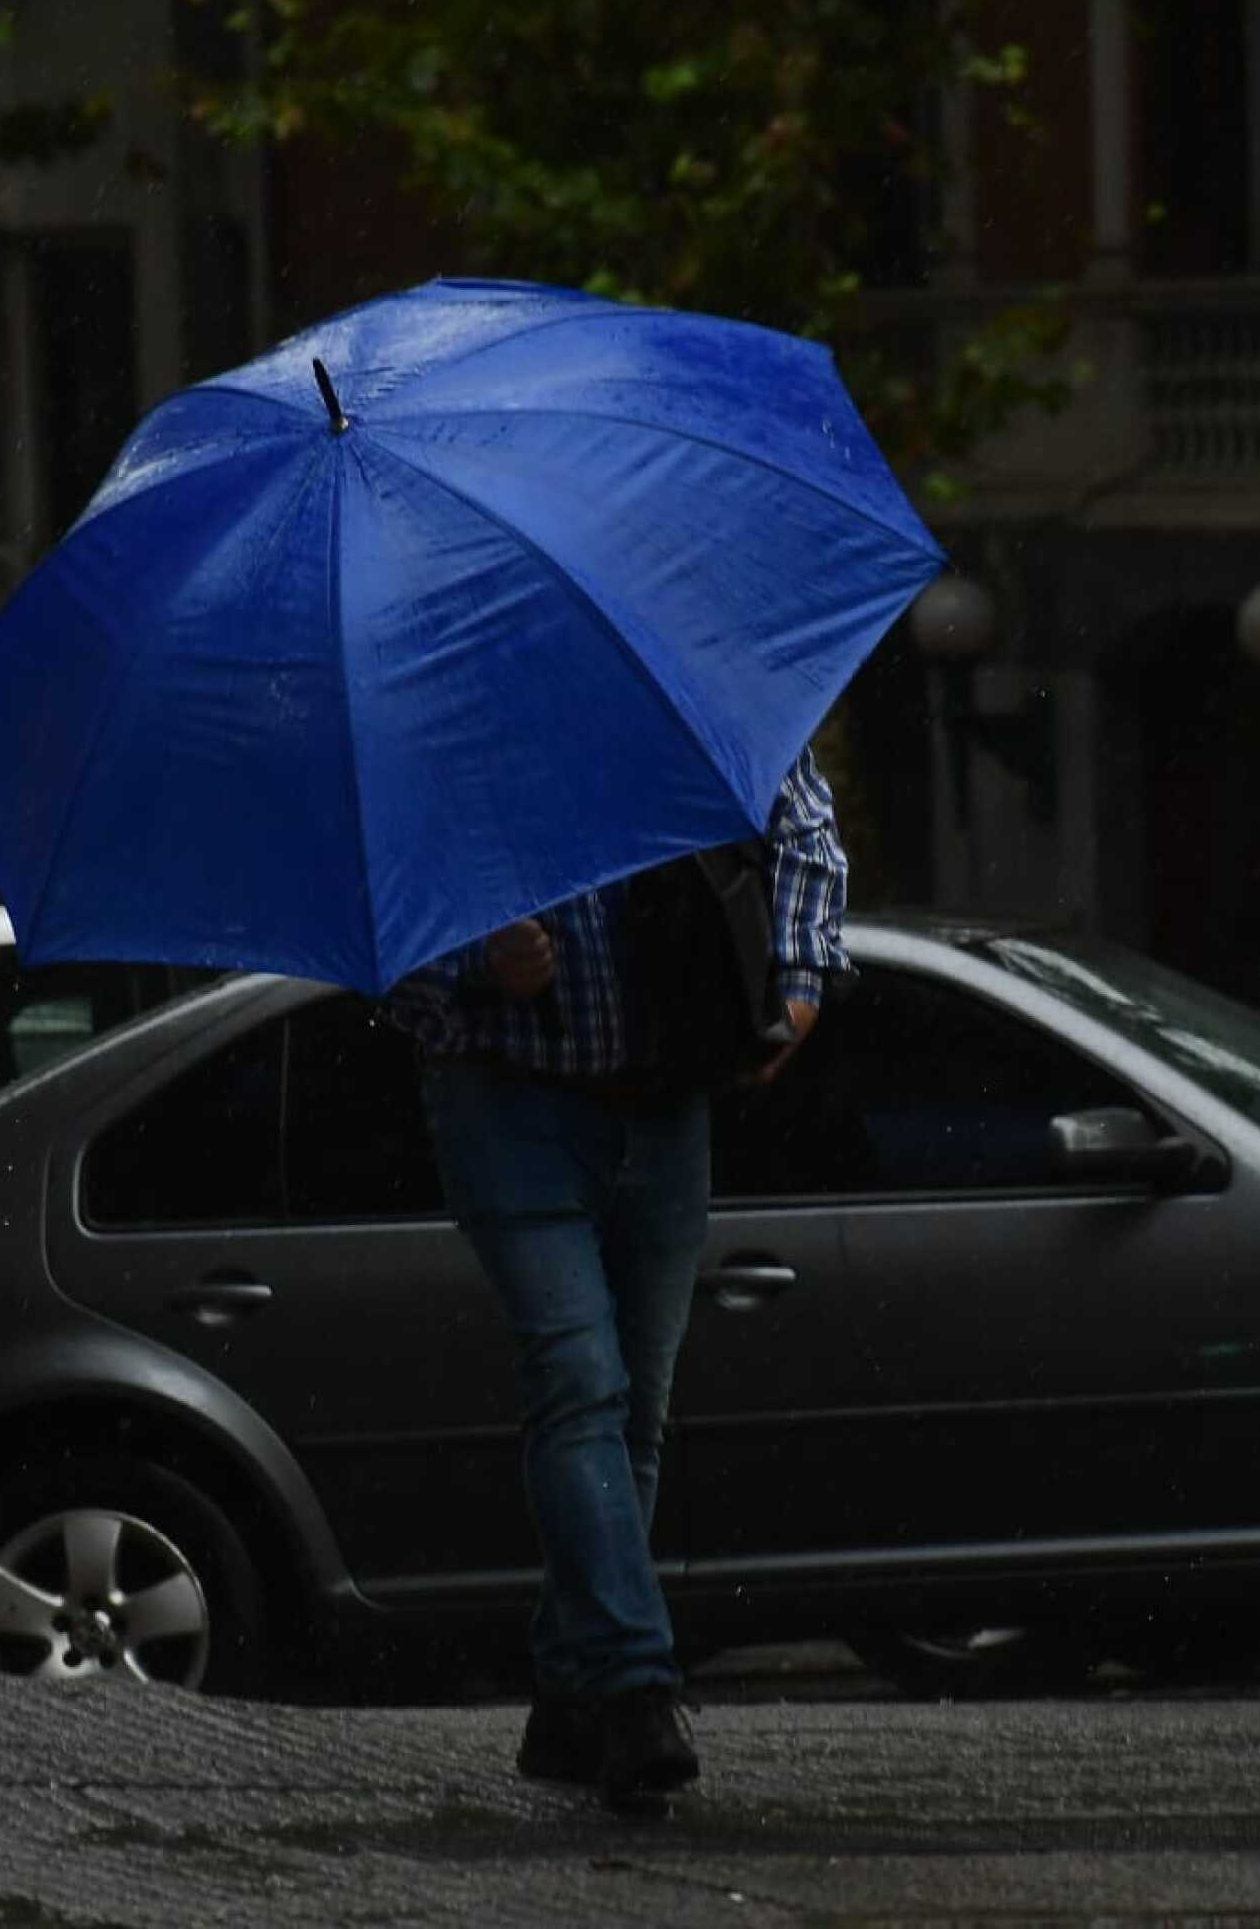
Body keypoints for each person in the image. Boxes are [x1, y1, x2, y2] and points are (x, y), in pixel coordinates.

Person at [386, 750, 848, 1813]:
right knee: (578, 1381)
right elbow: (385, 931)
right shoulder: (440, 733)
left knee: (634, 1407)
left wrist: (800, 978)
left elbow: (804, 829)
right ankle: (637, 1684)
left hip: (668, 1095)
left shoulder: (666, 676)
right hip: (506, 1104)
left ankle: (567, 1694)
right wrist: (474, 963)